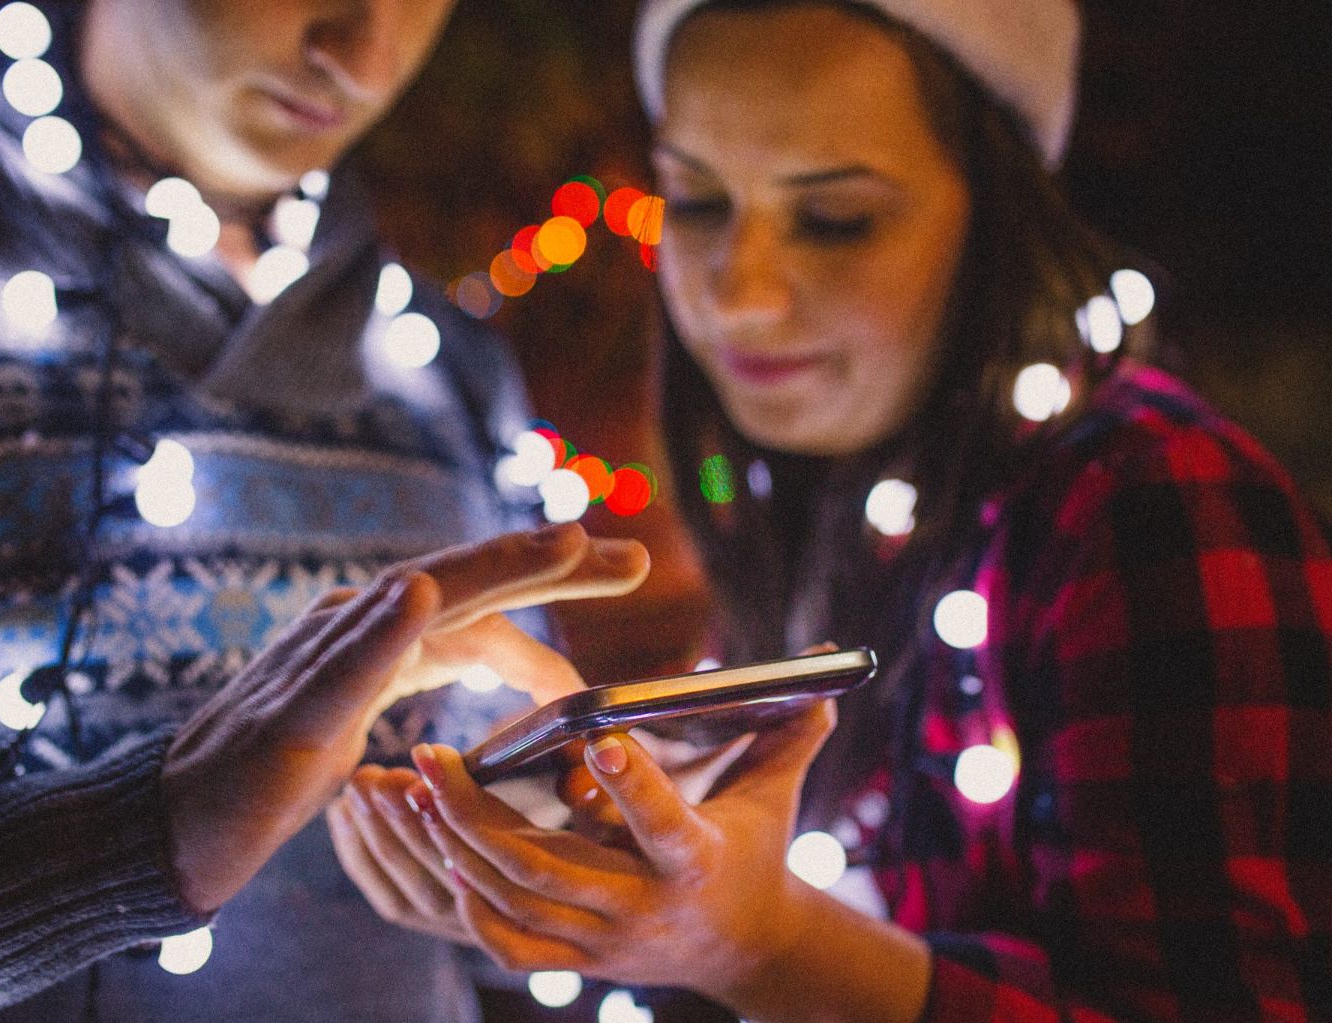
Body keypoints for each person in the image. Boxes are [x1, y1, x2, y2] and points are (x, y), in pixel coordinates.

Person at [331, 0, 1332, 1019]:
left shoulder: (1157, 502)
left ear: (997, 215)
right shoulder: (810, 503)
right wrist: (587, 876)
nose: (741, 292)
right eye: (698, 202)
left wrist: (766, 946)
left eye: (835, 218)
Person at [0, 1, 654, 1020]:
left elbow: (498, 935)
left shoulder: (445, 360)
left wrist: (580, 858)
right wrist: (149, 836)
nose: (363, 56)